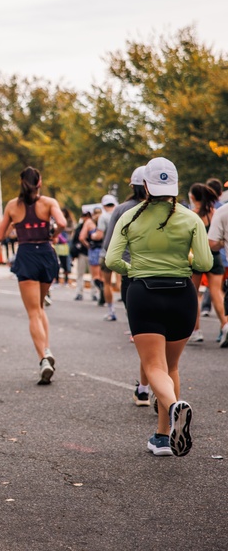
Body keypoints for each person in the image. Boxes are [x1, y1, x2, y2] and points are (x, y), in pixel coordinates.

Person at [105, 157, 212, 457]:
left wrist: (134, 269)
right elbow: (205, 263)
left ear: (146, 186)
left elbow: (112, 261)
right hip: (182, 295)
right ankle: (162, 436)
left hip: (144, 294)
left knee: (154, 366)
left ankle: (175, 407)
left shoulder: (130, 217)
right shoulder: (191, 218)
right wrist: (184, 262)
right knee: (172, 366)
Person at [0, 167, 66, 384]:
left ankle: (43, 356)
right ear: (39, 182)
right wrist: (52, 235)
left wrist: (14, 229)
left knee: (34, 311)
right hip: (46, 252)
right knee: (40, 306)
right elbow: (62, 223)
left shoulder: (12, 206)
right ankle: (46, 348)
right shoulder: (49, 202)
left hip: (26, 254)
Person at [102, 165, 150, 404]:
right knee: (166, 340)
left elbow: (110, 249)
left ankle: (145, 388)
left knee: (145, 335)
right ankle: (163, 393)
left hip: (134, 277)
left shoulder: (122, 210)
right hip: (174, 279)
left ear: (133, 186)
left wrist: (127, 270)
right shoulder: (177, 211)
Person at [188, 182, 228, 346]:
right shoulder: (214, 213)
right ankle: (225, 325)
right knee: (217, 292)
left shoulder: (192, 215)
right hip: (216, 256)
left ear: (193, 197)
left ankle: (195, 330)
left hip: (196, 257)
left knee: (193, 294)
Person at [94, 195, 119, 319]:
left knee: (107, 283)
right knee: (126, 282)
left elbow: (99, 235)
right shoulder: (122, 213)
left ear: (103, 205)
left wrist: (92, 236)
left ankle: (111, 311)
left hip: (107, 252)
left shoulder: (103, 217)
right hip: (123, 252)